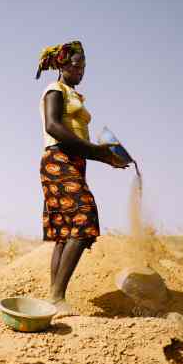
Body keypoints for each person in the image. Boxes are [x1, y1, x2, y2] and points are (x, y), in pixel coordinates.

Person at [36, 40, 128, 314]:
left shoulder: (74, 95)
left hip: (74, 160)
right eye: (77, 65)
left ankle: (54, 297)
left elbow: (80, 142)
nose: (81, 71)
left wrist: (105, 157)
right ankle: (56, 296)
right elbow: (53, 126)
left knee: (65, 232)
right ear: (62, 64)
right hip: (58, 159)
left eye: (84, 66)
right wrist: (96, 151)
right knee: (84, 216)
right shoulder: (54, 90)